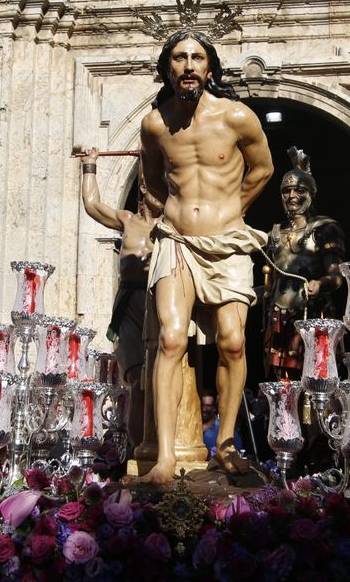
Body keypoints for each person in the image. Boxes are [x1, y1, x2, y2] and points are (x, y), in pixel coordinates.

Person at [138, 30, 273, 482]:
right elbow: (153, 179)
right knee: (172, 340)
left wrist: (233, 209)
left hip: (228, 240)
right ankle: (165, 456)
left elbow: (264, 168)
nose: (189, 65)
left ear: (210, 68)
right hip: (176, 239)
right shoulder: (155, 123)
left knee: (232, 342)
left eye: (197, 57)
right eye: (179, 57)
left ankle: (228, 444)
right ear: (168, 67)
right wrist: (176, 215)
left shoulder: (237, 116)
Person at [79, 147, 161, 449]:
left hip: (159, 306)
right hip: (128, 307)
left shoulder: (172, 225)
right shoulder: (127, 220)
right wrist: (90, 164)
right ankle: (137, 451)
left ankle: (156, 447)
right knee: (137, 382)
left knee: (158, 384)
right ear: (142, 187)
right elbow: (92, 204)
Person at [261, 146, 344, 379]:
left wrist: (320, 284)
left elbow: (337, 275)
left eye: (299, 190)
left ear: (310, 193)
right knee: (282, 383)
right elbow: (271, 284)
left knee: (316, 378)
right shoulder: (274, 233)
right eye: (286, 191)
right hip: (278, 319)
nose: (291, 196)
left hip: (310, 313)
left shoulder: (325, 229)